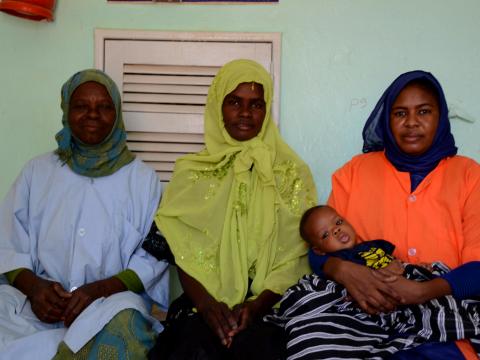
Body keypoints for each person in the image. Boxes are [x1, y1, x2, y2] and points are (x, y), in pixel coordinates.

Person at [279, 70, 480, 359]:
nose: (411, 122)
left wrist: (422, 292)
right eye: (400, 113)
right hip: (361, 319)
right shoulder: (354, 173)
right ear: (387, 119)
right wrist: (343, 270)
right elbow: (321, 247)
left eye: (423, 111)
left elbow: (478, 269)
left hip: (440, 325)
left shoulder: (470, 176)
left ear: (441, 116)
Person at [147, 59, 317, 359]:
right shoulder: (192, 172)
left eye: (256, 104)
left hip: (271, 306)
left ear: (267, 111)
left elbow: (297, 253)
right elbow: (180, 251)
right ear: (217, 107)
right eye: (234, 102)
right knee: (189, 347)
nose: (245, 113)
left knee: (266, 349)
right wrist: (209, 307)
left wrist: (256, 306)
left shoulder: (291, 173)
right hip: (203, 305)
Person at [0, 69, 169, 359]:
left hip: (110, 304)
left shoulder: (143, 180)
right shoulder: (37, 172)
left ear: (116, 115)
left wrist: (98, 291)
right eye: (81, 106)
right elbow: (7, 242)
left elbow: (152, 258)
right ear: (66, 111)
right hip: (36, 306)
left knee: (127, 332)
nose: (93, 114)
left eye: (104, 107)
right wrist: (36, 289)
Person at [267, 204, 480, 358]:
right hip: (358, 302)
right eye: (326, 234)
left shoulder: (373, 246)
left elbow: (397, 263)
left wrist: (414, 267)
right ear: (319, 250)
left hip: (402, 290)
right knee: (313, 331)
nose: (337, 230)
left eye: (339, 223)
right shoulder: (333, 260)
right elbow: (321, 269)